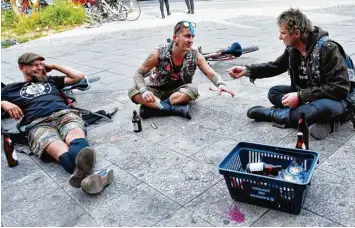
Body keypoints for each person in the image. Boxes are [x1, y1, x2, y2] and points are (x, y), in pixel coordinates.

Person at [227, 8, 351, 140]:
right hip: (310, 94)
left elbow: (340, 89)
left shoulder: (327, 49)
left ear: (297, 33)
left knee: (321, 108)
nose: (280, 37)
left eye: (283, 33)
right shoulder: (294, 49)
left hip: (338, 100)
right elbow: (276, 66)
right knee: (274, 92)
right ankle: (310, 116)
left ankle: (274, 115)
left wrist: (300, 96)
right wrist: (248, 70)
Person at [1, 53, 113, 194]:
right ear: (22, 67)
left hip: (64, 114)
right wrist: (3, 102)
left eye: (42, 64)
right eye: (35, 65)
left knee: (75, 139)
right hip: (37, 124)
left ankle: (84, 177)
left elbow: (79, 76)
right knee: (59, 148)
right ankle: (91, 178)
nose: (40, 67)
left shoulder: (50, 80)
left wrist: (54, 66)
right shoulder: (11, 89)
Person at [128, 20, 235, 119]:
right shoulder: (159, 52)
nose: (191, 40)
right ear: (175, 38)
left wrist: (221, 84)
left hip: (179, 92)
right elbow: (138, 73)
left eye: (192, 36)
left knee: (193, 89)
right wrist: (144, 90)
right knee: (133, 91)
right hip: (156, 90)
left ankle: (154, 108)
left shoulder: (195, 55)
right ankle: (175, 109)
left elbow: (211, 73)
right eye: (187, 36)